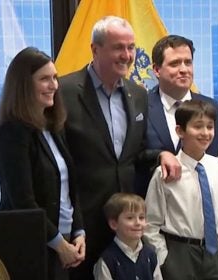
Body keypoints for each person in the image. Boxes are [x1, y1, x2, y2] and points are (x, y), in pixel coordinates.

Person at [58, 16, 180, 280]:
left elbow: (133, 155)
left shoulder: (138, 93)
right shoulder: (63, 92)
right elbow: (57, 162)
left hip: (126, 226)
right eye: (118, 47)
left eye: (131, 47)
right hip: (82, 226)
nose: (127, 55)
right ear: (95, 49)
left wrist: (161, 154)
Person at [0, 47, 85, 280]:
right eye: (44, 79)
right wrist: (59, 244)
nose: (54, 85)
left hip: (64, 245)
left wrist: (79, 231)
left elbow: (70, 188)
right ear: (23, 85)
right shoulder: (12, 133)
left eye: (54, 77)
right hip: (31, 245)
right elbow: (22, 200)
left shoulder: (53, 127)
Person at [136, 34, 218, 197]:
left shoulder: (214, 109)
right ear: (156, 70)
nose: (184, 69)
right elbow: (132, 157)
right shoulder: (139, 107)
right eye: (175, 63)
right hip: (153, 209)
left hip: (203, 209)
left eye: (188, 62)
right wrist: (159, 156)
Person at [144, 99, 218, 280]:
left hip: (213, 251)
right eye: (198, 127)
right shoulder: (166, 172)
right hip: (179, 253)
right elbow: (151, 223)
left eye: (210, 127)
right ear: (180, 131)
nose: (205, 133)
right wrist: (163, 257)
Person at [93, 193, 162, 280]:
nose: (138, 223)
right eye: (130, 218)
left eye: (141, 217)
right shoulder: (107, 261)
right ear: (114, 224)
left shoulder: (151, 255)